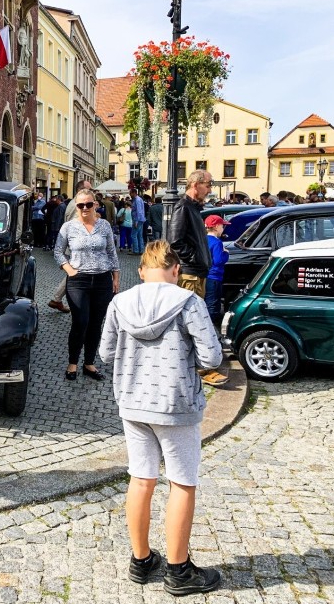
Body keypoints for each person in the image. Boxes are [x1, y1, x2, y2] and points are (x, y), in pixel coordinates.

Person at [98, 240, 223, 597]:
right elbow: (212, 357)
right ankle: (179, 570)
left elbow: (106, 354)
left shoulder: (120, 302)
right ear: (175, 271)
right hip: (175, 403)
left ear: (141, 271)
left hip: (133, 402)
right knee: (182, 482)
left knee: (141, 480)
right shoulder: (189, 302)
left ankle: (140, 560)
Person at [169, 170, 228, 386]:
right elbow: (175, 242)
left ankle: (198, 367)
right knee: (191, 323)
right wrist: (194, 259)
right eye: (209, 184)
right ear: (196, 184)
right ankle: (198, 368)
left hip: (196, 272)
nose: (210, 189)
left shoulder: (193, 208)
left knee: (195, 321)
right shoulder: (183, 207)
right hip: (190, 274)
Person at [54, 188, 120, 381]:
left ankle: (89, 363)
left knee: (95, 323)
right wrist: (69, 270)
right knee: (80, 322)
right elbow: (58, 251)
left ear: (95, 205)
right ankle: (72, 362)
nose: (84, 208)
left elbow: (111, 252)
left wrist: (115, 277)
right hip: (78, 281)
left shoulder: (105, 226)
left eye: (88, 204)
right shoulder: (68, 227)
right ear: (76, 206)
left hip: (102, 280)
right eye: (80, 205)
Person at [48, 179, 93, 313]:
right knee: (75, 274)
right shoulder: (77, 205)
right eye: (88, 189)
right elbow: (77, 227)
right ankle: (61, 300)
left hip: (74, 247)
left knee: (73, 273)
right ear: (80, 191)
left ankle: (57, 299)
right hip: (76, 248)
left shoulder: (73, 203)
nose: (91, 191)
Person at [204, 214, 230, 324]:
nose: (223, 228)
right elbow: (219, 260)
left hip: (205, 275)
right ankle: (212, 326)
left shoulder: (203, 239)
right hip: (215, 276)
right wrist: (226, 253)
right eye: (222, 226)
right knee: (213, 304)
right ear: (216, 227)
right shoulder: (217, 242)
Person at [130, 188, 147, 255]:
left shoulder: (137, 200)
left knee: (133, 235)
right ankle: (141, 250)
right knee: (139, 235)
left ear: (134, 193)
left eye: (130, 193)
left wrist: (136, 221)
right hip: (141, 219)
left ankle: (136, 250)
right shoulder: (139, 199)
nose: (130, 194)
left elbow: (139, 211)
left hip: (137, 220)